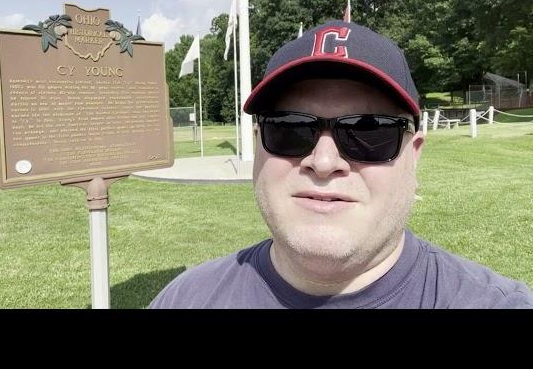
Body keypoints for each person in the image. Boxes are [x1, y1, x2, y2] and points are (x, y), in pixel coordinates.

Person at [149, 20, 533, 309]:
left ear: (413, 156)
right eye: (290, 129)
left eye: (369, 132)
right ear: (258, 147)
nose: (324, 161)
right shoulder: (184, 299)